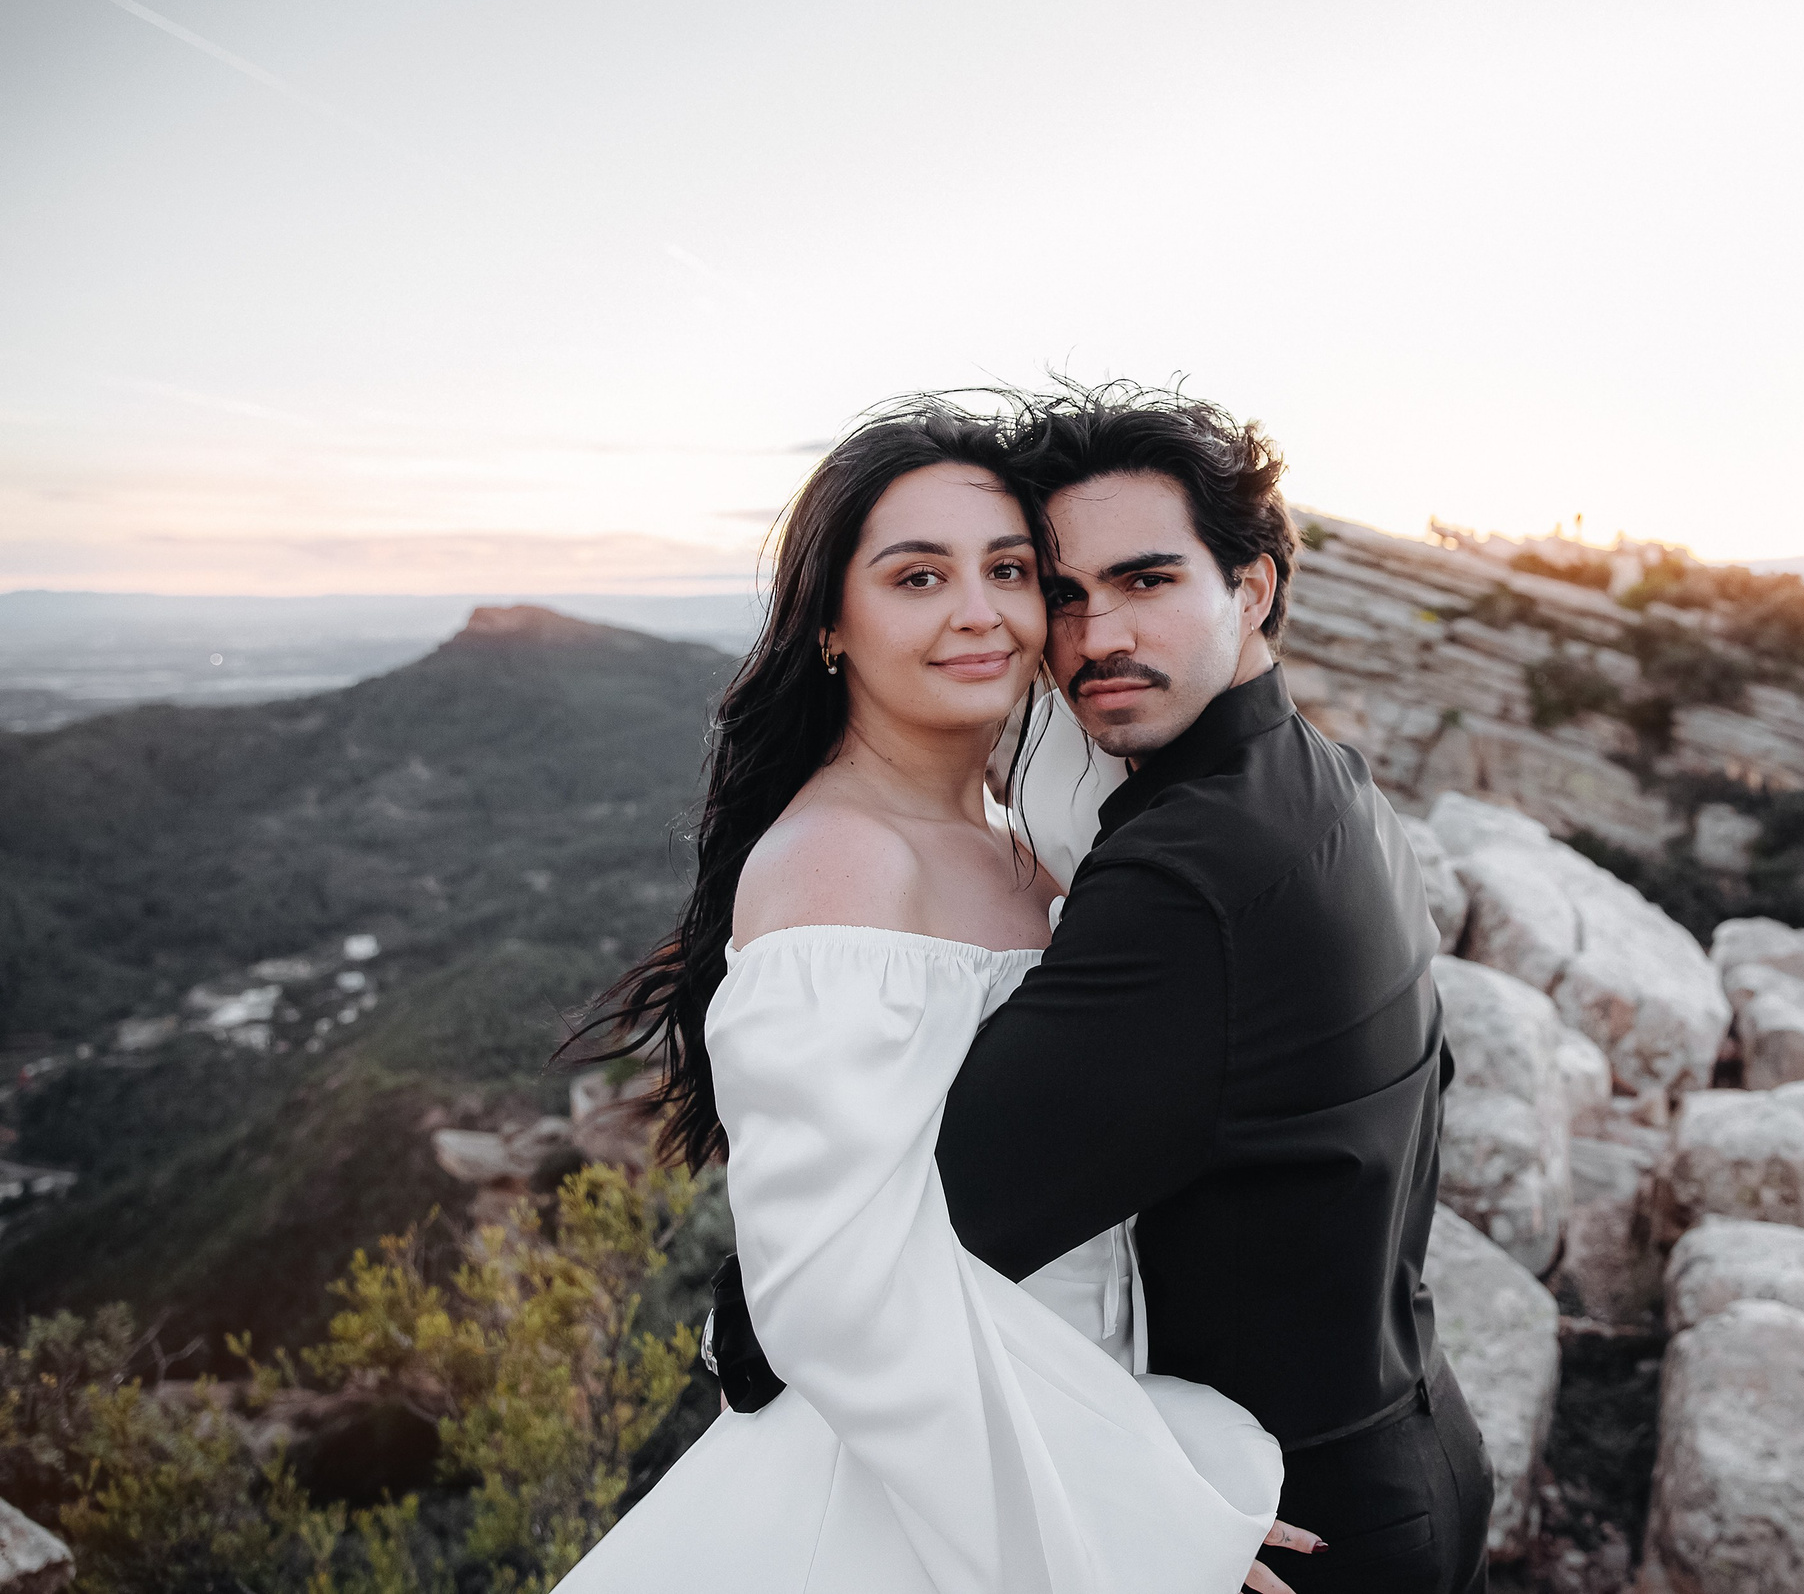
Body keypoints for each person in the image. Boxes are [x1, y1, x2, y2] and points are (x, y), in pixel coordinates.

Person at [714, 385, 1494, 1594]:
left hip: (1286, 1514)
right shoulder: (1318, 783)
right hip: (1386, 1442)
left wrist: (741, 1317)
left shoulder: (1192, 873)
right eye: (1066, 591)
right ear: (833, 619)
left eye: (1145, 582)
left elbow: (906, 1239)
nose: (1091, 637)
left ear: (1253, 588)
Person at [556, 401, 1312, 1594]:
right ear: (829, 626)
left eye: (1010, 570)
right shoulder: (840, 864)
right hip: (914, 1498)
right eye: (917, 577)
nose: (981, 612)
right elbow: (829, 1287)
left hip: (1046, 1414)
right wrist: (1144, 1522)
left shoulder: (1025, 839)